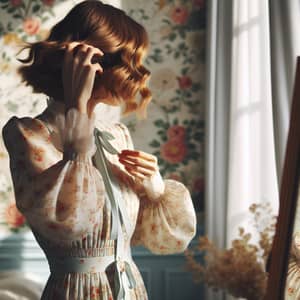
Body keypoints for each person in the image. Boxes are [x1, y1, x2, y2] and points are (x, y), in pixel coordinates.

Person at [2, 1, 197, 299]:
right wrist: (76, 108)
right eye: (125, 60)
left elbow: (161, 241)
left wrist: (154, 192)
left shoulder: (116, 136)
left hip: (130, 290)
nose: (137, 74)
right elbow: (71, 226)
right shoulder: (28, 135)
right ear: (84, 60)